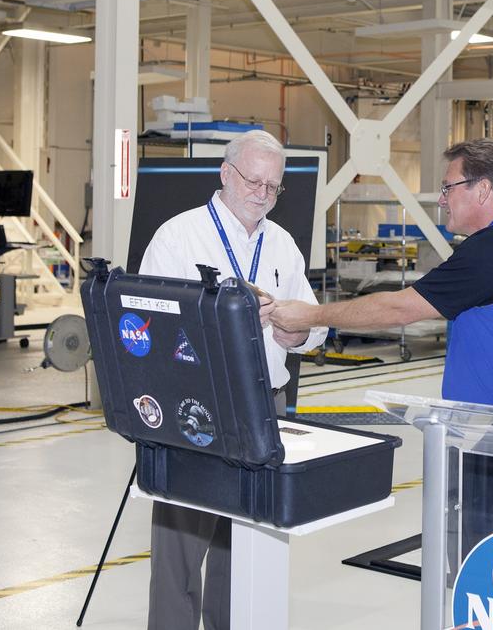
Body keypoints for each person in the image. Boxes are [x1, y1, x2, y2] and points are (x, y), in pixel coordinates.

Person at [270, 138, 493, 555]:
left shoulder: (492, 253)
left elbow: (398, 308)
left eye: (448, 188)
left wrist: (310, 315)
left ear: (482, 189)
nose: (442, 201)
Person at [138, 129, 327, 630]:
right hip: (194, 407)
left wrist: (298, 336)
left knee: (242, 539)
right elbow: (147, 328)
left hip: (264, 405)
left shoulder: (282, 244)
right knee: (181, 540)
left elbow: (315, 321)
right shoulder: (178, 237)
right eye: (253, 180)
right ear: (225, 174)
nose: (262, 194)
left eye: (273, 186)